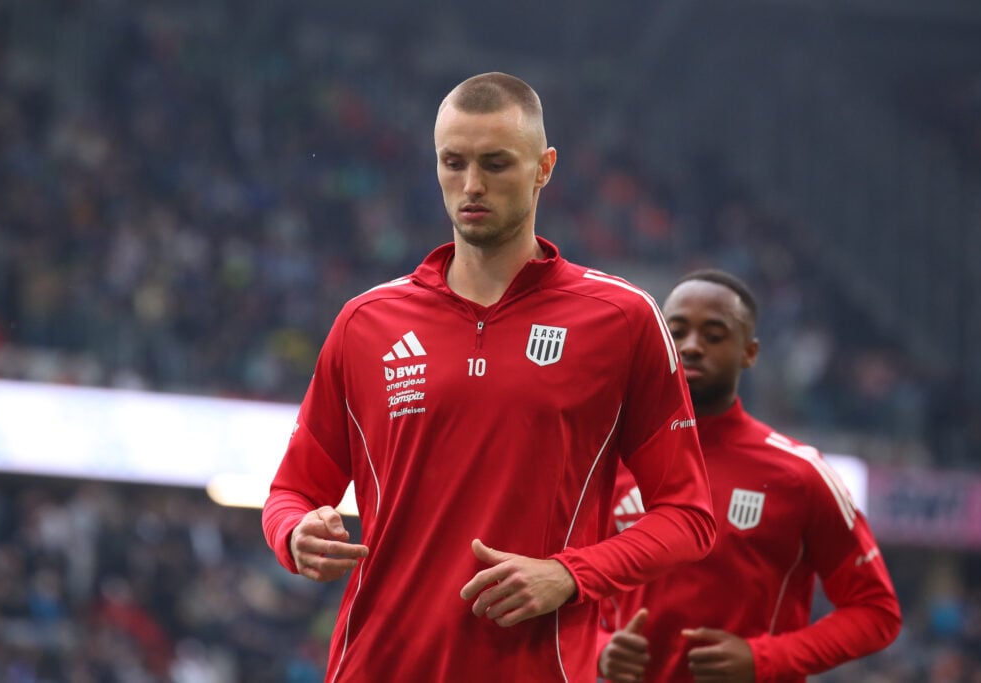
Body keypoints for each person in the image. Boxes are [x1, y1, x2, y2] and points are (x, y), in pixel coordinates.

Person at [262, 72, 716, 682]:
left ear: (544, 168)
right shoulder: (365, 322)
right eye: (454, 163)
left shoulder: (622, 319)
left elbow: (689, 517)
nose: (471, 184)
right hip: (377, 667)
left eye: (496, 164)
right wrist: (295, 534)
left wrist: (570, 575)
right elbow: (290, 492)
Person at [598, 269, 902, 683]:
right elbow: (557, 583)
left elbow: (877, 611)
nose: (691, 346)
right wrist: (599, 649)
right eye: (677, 331)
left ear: (750, 352)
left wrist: (764, 659)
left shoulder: (800, 475)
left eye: (714, 335)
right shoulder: (606, 463)